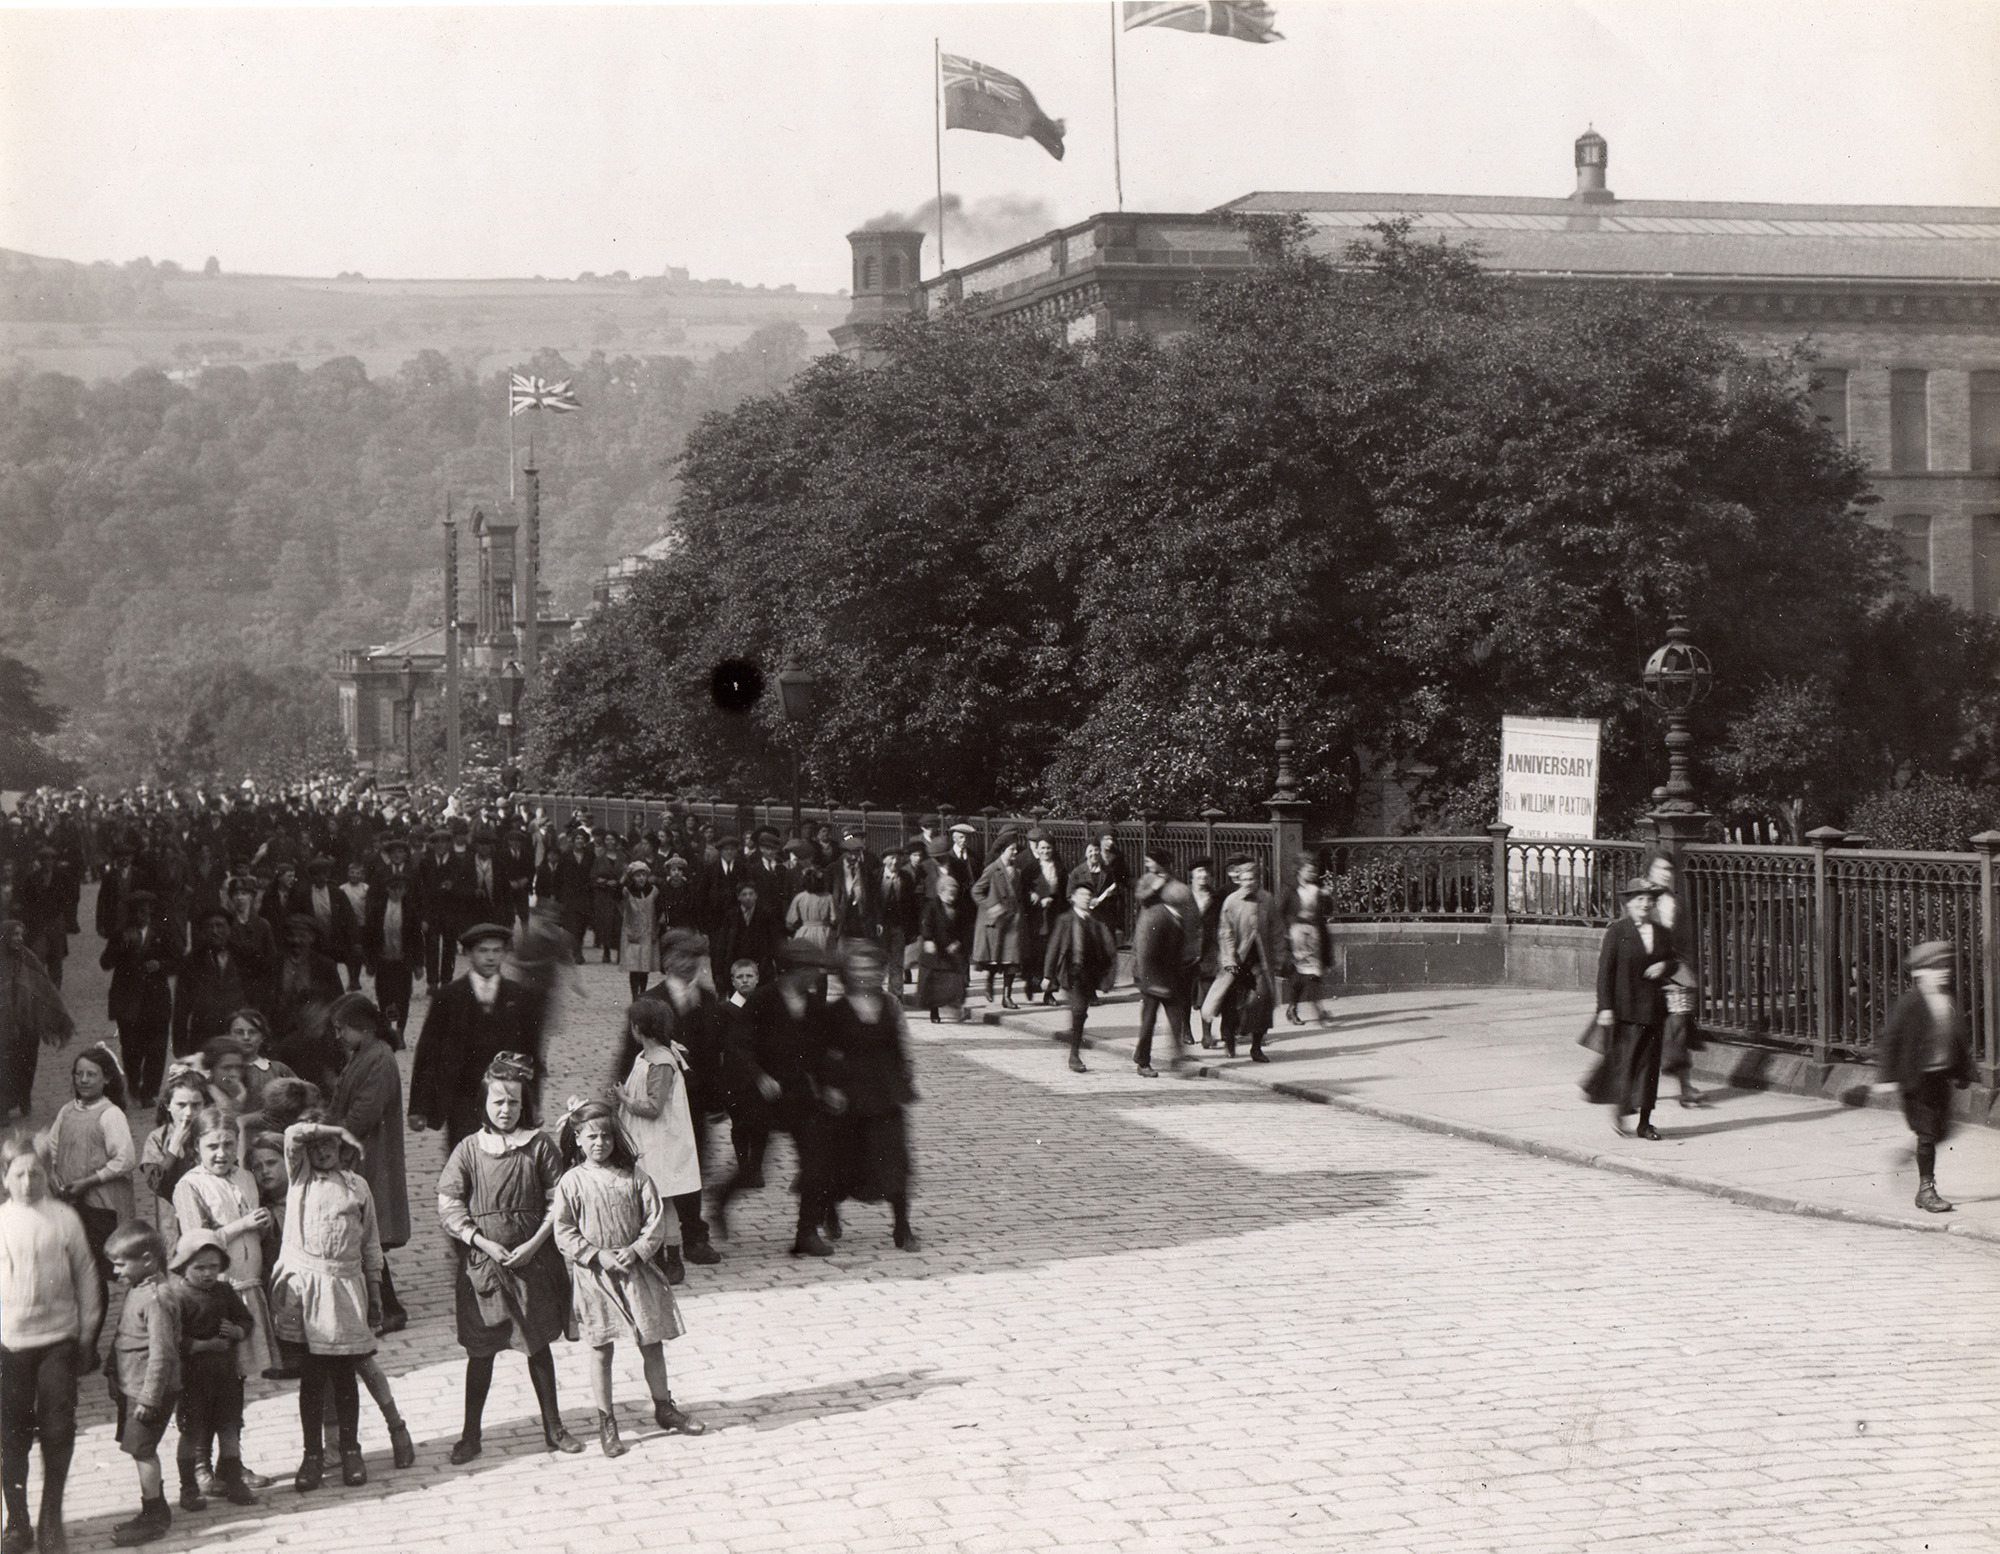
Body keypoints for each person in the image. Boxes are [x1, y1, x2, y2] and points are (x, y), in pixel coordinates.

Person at [436, 1053, 581, 1464]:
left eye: (514, 1102)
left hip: (532, 1264)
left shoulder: (539, 1146)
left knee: (537, 1346)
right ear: (484, 1103)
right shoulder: (469, 1150)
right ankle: (471, 1435)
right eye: (498, 1101)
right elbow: (449, 1204)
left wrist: (534, 1244)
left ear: (524, 1105)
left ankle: (554, 1427)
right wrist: (481, 1241)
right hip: (484, 1267)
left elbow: (558, 1202)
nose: (505, 1110)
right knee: (481, 1350)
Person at [552, 1099, 705, 1458]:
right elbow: (564, 1231)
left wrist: (637, 1250)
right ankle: (607, 1421)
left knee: (651, 1342)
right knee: (601, 1348)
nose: (600, 1143)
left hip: (635, 1273)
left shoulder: (635, 1177)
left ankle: (664, 1407)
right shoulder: (572, 1182)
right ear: (577, 1139)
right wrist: (596, 1254)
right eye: (591, 1136)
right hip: (595, 1278)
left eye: (606, 1136)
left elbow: (655, 1221)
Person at [0, 1134, 103, 1554]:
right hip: (9, 1346)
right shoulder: (1, 1222)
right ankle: (17, 1522)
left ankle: (50, 1518)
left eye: (36, 1174)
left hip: (58, 1340)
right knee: (11, 1435)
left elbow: (87, 1276)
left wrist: (87, 1335)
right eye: (19, 1175)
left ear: (48, 1175)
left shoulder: (64, 1218)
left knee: (58, 1428)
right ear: (4, 1178)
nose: (28, 1183)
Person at [268, 1118, 382, 1492]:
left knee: (345, 1375)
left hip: (345, 1290)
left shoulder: (357, 1186)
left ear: (341, 1149)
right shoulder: (300, 1178)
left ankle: (350, 1450)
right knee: (313, 1378)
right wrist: (328, 1128)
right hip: (307, 1290)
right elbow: (292, 1135)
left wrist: (375, 1293)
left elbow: (370, 1244)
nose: (323, 1152)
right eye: (316, 1145)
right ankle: (312, 1456)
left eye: (330, 1145)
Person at [715, 940, 837, 1256]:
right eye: (810, 969)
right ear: (792, 971)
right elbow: (738, 1045)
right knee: (753, 1170)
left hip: (798, 1095)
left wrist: (828, 1087)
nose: (815, 975)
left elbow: (821, 1053)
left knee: (815, 1162)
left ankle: (806, 1233)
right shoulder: (762, 1000)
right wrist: (759, 1076)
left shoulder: (813, 1005)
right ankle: (721, 1198)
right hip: (761, 1096)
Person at [170, 1109, 278, 1437]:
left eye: (229, 1145)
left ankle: (231, 1452)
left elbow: (254, 1235)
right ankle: (200, 1451)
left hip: (247, 1287)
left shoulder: (245, 1177)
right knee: (212, 1377)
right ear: (196, 1148)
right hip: (215, 1293)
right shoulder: (190, 1185)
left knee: (236, 1378)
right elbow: (196, 1243)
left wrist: (261, 1226)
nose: (222, 1153)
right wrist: (242, 1225)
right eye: (212, 1146)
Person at [822, 941, 920, 1250]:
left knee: (894, 1160)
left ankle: (902, 1227)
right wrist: (830, 1087)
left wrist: (907, 1071)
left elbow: (902, 1042)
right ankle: (830, 1209)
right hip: (849, 1098)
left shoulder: (891, 1005)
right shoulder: (836, 1011)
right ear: (847, 973)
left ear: (881, 972)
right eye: (858, 969)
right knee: (843, 1162)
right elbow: (826, 1053)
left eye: (872, 969)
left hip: (885, 1094)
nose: (865, 975)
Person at [409, 924, 542, 1149]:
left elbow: (532, 1054)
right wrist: (418, 1107)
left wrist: (533, 1103)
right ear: (468, 953)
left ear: (504, 953)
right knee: (465, 1157)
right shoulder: (449, 997)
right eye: (483, 951)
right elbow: (428, 1052)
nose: (490, 958)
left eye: (497, 951)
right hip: (462, 1099)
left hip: (507, 1101)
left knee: (507, 1158)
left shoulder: (519, 996)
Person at [1872, 940, 1978, 1212]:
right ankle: (1926, 1190)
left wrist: (1963, 1071)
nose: (1943, 972)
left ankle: (1914, 1156)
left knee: (1943, 1130)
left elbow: (1957, 1038)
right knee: (1928, 1133)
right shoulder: (1910, 1003)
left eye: (1945, 967)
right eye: (1935, 968)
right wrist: (1886, 1078)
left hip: (1940, 1078)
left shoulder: (1949, 999)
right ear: (1919, 972)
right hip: (1916, 1081)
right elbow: (1891, 1040)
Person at [327, 995, 409, 1334]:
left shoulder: (380, 1059)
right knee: (363, 1231)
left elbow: (363, 1113)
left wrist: (331, 1135)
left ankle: (390, 1309)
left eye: (342, 1028)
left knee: (365, 1232)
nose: (338, 1036)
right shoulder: (365, 1054)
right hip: (361, 1153)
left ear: (363, 1027)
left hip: (371, 1156)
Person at [166, 1230, 257, 1512]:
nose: (207, 1273)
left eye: (213, 1267)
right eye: (199, 1267)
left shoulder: (224, 1291)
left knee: (230, 1427)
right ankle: (189, 1487)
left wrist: (237, 1330)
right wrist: (204, 1345)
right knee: (192, 1431)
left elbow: (245, 1319)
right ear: (183, 1267)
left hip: (226, 1375)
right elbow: (171, 1339)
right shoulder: (177, 1297)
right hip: (193, 1378)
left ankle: (233, 1479)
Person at [102, 1223, 180, 1546]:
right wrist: (112, 1371)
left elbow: (162, 1353)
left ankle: (155, 1515)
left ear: (147, 1260)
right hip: (133, 1387)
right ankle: (153, 1509)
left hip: (150, 1392)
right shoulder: (138, 1288)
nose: (116, 1271)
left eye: (121, 1264)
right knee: (139, 1450)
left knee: (143, 1451)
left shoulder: (156, 1298)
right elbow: (124, 1334)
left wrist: (149, 1398)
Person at [617, 1000, 701, 1283]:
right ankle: (657, 1256)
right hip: (648, 1138)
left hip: (660, 1142)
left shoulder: (661, 1062)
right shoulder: (646, 1056)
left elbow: (654, 1107)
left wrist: (625, 1099)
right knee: (653, 1200)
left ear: (637, 1028)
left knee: (662, 1201)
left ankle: (673, 1259)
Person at [1587, 879, 1673, 1141]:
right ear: (1629, 903)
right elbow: (1605, 972)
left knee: (1650, 1068)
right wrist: (1604, 1007)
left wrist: (1664, 966)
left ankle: (1645, 1123)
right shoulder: (1617, 931)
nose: (1645, 904)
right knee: (1627, 1064)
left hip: (1653, 1010)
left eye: (1649, 899)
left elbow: (1673, 960)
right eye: (1639, 899)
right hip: (1626, 1010)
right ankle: (1620, 1109)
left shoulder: (1661, 932)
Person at [47, 1045, 135, 1287]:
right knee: (76, 1264)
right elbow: (51, 1147)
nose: (83, 1080)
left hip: (99, 1205)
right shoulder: (67, 1111)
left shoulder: (110, 1114)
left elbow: (125, 1159)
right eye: (79, 1074)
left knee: (96, 1270)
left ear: (106, 1078)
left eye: (91, 1074)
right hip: (69, 1200)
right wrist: (52, 1172)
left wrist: (88, 1182)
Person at [100, 893, 179, 1107]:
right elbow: (105, 963)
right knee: (131, 1047)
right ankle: (134, 1082)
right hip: (129, 1000)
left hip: (156, 999)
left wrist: (160, 965)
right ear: (133, 913)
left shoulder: (162, 933)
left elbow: (177, 960)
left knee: (157, 1047)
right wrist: (119, 946)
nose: (144, 916)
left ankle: (149, 1091)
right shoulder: (121, 934)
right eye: (139, 912)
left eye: (147, 911)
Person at [1203, 854, 1283, 1063]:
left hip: (1260, 960)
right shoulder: (1231, 901)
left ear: (1258, 880)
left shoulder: (1267, 900)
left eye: (1251, 879)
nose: (1248, 883)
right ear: (1239, 880)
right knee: (1231, 1004)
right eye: (1244, 879)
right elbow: (1225, 932)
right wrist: (1229, 958)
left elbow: (1276, 930)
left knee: (1261, 1001)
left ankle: (1256, 1047)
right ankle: (1229, 1040)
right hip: (1237, 960)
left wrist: (1279, 956)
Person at [1646, 854, 1706, 1108]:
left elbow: (1685, 943)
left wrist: (1685, 971)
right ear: (1650, 871)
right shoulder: (1640, 899)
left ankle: (1685, 1087)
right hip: (1645, 973)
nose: (1665, 873)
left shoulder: (1676, 903)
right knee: (1641, 1032)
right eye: (1660, 868)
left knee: (1679, 1026)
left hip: (1673, 972)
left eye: (1669, 869)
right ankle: (1636, 1089)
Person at [1, 919, 72, 1122]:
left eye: (20, 934)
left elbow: (44, 986)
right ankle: (3, 1107)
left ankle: (24, 1097)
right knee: (5, 1064)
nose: (19, 939)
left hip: (28, 1022)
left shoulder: (28, 958)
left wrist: (56, 1016)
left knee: (27, 1061)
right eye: (14, 934)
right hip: (4, 1024)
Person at [1043, 883, 1119, 1074]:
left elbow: (1108, 948)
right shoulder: (1065, 919)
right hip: (1072, 973)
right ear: (1073, 898)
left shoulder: (1095, 921)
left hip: (1090, 974)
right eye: (1082, 894)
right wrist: (1047, 976)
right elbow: (1053, 947)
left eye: (1088, 895)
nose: (1086, 897)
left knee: (1081, 1012)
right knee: (1078, 1010)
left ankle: (1076, 1041)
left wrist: (1109, 976)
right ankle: (1074, 1055)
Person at [138, 1070, 212, 1257]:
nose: (188, 1113)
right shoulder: (157, 1139)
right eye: (181, 1105)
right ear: (168, 1106)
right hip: (172, 1224)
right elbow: (157, 1184)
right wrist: (174, 1147)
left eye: (196, 1105)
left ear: (205, 1105)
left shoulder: (211, 1135)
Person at [1131, 876, 1190, 1079]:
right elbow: (1146, 952)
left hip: (1169, 980)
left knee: (1176, 1019)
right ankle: (1143, 1061)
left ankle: (1178, 1058)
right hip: (1153, 981)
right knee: (1148, 1022)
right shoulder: (1158, 917)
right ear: (1179, 903)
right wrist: (1152, 982)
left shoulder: (1175, 917)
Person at [361, 874, 423, 1043]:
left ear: (405, 890)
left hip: (403, 960)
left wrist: (418, 964)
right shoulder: (378, 909)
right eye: (392, 888)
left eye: (399, 888)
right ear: (387, 889)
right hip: (384, 960)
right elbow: (369, 937)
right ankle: (388, 1029)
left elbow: (418, 939)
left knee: (403, 996)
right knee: (384, 995)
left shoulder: (410, 910)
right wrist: (370, 961)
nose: (396, 892)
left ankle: (400, 1031)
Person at [970, 829, 1024, 1010]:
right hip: (997, 922)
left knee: (1012, 961)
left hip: (1013, 921)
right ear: (1002, 851)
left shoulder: (1017, 870)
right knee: (995, 959)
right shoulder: (993, 869)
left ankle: (1007, 997)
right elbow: (976, 891)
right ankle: (989, 982)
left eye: (1016, 849)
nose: (1015, 852)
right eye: (1011, 849)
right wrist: (990, 906)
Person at [1279, 860, 1331, 1026]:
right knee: (1299, 976)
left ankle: (1317, 1009)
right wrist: (1285, 935)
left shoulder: (1317, 890)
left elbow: (1328, 910)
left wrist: (1326, 897)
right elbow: (1280, 913)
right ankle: (1293, 1008)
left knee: (1315, 973)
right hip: (1296, 936)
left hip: (1314, 936)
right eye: (1308, 870)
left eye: (1314, 871)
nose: (1312, 874)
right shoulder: (1290, 891)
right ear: (1299, 871)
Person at [918, 869, 971, 1025]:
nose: (952, 898)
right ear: (940, 893)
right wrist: (928, 940)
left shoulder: (960, 907)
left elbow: (965, 928)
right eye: (949, 894)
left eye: (954, 894)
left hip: (952, 950)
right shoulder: (932, 907)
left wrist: (958, 942)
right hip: (936, 951)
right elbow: (926, 925)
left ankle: (955, 1008)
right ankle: (934, 1011)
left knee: (955, 982)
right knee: (935, 984)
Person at [620, 861, 662, 1000]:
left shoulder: (653, 891)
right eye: (638, 875)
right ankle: (634, 995)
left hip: (648, 932)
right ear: (632, 877)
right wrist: (623, 878)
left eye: (643, 875)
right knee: (634, 967)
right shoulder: (627, 891)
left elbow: (660, 910)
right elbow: (616, 895)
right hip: (632, 932)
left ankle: (642, 993)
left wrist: (657, 929)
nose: (641, 878)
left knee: (644, 967)